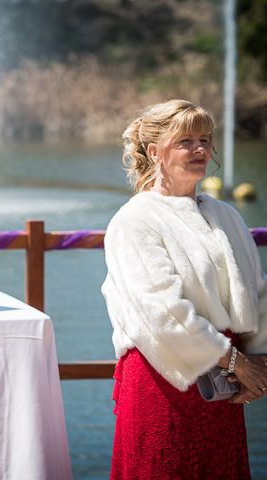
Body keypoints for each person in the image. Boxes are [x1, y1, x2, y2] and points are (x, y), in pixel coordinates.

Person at [102, 99, 267, 479]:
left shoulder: (227, 215)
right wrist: (237, 363)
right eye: (186, 141)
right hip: (164, 382)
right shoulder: (135, 220)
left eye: (205, 140)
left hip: (225, 388)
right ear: (155, 151)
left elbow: (258, 292)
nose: (199, 150)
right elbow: (161, 312)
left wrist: (260, 362)